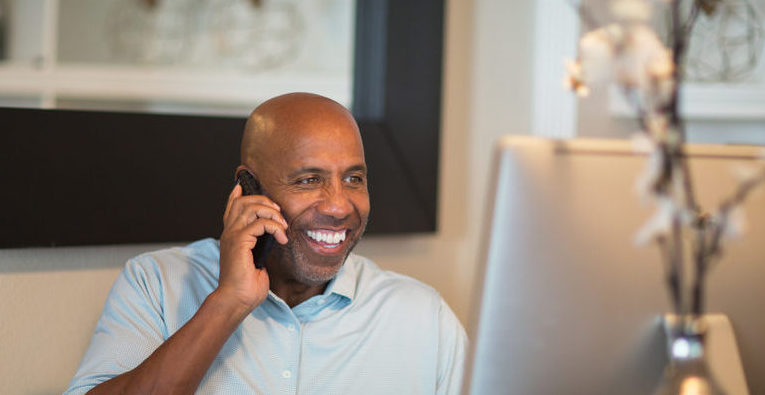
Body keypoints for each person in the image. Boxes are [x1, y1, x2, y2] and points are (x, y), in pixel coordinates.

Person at [65, 93, 467, 394]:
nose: (339, 206)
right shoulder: (156, 283)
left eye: (353, 179)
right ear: (247, 188)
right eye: (309, 180)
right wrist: (228, 302)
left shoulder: (422, 316)